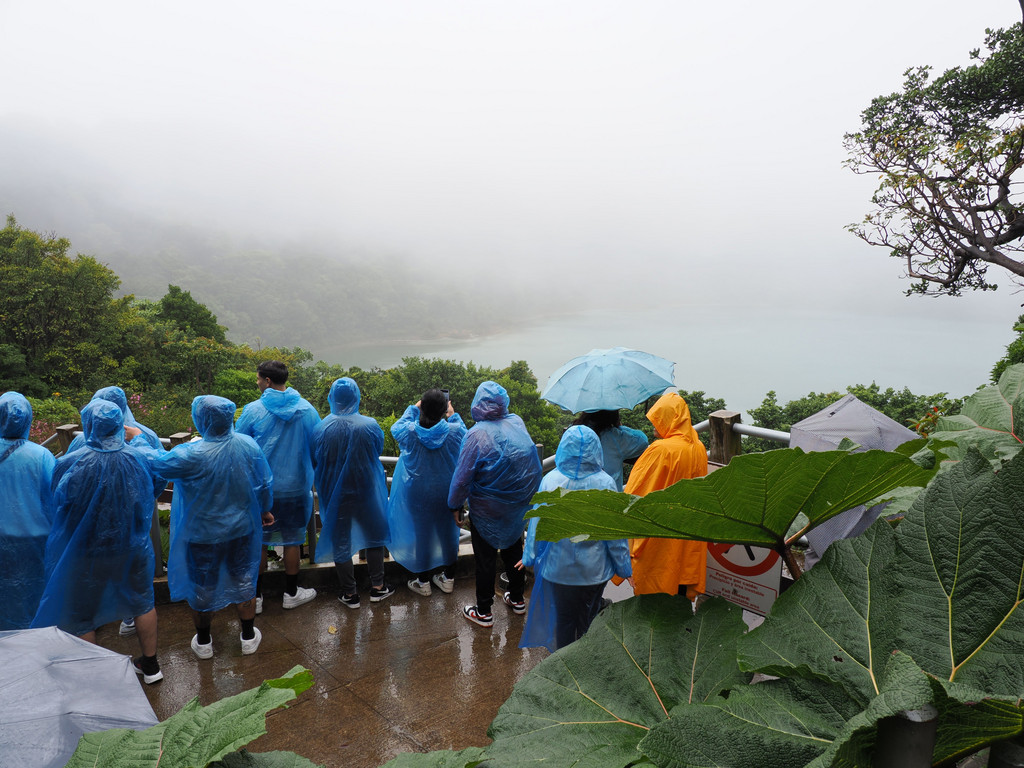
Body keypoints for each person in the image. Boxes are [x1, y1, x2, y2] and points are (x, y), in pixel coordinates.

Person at [32, 399, 165, 684]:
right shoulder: (139, 458)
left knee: (82, 614)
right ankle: (151, 666)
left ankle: (95, 677)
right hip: (133, 545)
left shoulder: (70, 462)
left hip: (87, 550)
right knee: (142, 601)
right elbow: (153, 486)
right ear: (120, 425)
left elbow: (59, 504)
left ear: (88, 425)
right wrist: (139, 438)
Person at [143, 396, 274, 658]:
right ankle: (247, 636)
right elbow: (264, 483)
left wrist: (138, 437)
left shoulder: (189, 454)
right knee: (243, 579)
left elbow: (155, 463)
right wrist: (265, 509)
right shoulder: (247, 446)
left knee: (202, 585)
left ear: (199, 419)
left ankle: (204, 643)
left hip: (201, 534)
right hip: (240, 530)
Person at [66, 385, 166, 637]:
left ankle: (94, 656)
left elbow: (65, 486)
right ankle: (148, 657)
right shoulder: (145, 435)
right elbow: (160, 472)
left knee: (88, 595)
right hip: (134, 522)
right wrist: (144, 498)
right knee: (139, 590)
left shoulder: (80, 441)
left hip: (91, 528)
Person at [520, 425, 631, 651]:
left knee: (563, 619)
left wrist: (529, 557)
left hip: (557, 568)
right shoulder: (606, 484)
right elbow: (614, 534)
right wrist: (624, 569)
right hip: (594, 571)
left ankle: (564, 662)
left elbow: (537, 524)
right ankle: (585, 661)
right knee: (588, 618)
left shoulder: (550, 481)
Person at [448, 380, 542, 628]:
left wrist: (455, 505)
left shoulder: (476, 434)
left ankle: (484, 611)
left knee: (486, 559)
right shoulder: (517, 423)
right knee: (514, 551)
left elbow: (461, 478)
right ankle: (518, 599)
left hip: (486, 509)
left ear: (478, 403)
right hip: (517, 505)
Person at [236, 360, 321, 612]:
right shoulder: (307, 409)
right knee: (293, 540)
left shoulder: (252, 410)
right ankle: (291, 593)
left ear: (268, 381)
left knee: (259, 542)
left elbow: (239, 445)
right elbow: (318, 446)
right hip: (296, 487)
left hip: (262, 491)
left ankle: (257, 598)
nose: (257, 382)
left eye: (259, 379)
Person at [312, 378, 394, 608]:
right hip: (366, 489)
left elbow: (316, 458)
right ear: (356, 397)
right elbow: (376, 449)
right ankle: (378, 587)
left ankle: (350, 594)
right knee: (374, 536)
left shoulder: (321, 428)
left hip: (335, 494)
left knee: (340, 540)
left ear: (332, 398)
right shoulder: (369, 425)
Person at [624, 392, 709, 600]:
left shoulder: (661, 449)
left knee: (654, 598)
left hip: (659, 536)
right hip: (687, 535)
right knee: (679, 596)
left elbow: (635, 492)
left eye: (659, 418)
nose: (654, 424)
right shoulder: (698, 447)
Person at [387, 388, 467, 597]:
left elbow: (396, 427)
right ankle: (448, 579)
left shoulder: (410, 433)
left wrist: (414, 409)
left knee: (422, 535)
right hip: (446, 492)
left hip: (418, 494)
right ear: (443, 409)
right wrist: (453, 414)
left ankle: (423, 582)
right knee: (448, 534)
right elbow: (466, 433)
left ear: (422, 406)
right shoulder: (455, 432)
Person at [0, 393, 55, 630]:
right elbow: (55, 498)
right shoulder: (42, 455)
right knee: (36, 592)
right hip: (37, 539)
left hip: (2, 538)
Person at [572, 410, 649, 491]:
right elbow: (642, 441)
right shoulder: (615, 437)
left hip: (577, 493)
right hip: (609, 495)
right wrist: (619, 427)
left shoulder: (574, 432)